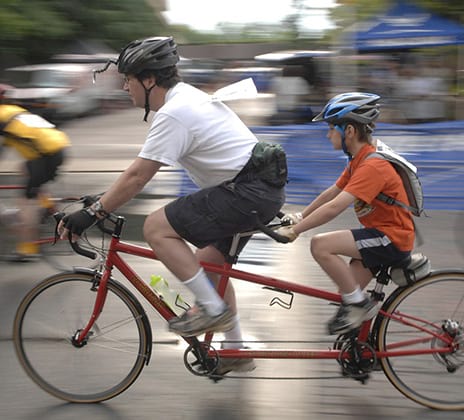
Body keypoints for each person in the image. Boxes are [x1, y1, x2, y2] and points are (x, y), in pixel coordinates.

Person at [57, 36, 287, 375]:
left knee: (155, 227)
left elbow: (138, 176)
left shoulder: (176, 112)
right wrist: (102, 201)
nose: (124, 87)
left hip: (247, 193)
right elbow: (135, 173)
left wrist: (93, 214)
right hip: (255, 190)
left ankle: (211, 309)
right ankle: (236, 349)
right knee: (210, 264)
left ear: (149, 80)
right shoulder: (186, 99)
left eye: (128, 79)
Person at [276, 92, 415, 334]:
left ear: (349, 131)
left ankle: (360, 306)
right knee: (346, 292)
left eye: (331, 128)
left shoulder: (373, 165)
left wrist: (296, 231)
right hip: (380, 234)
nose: (328, 134)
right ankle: (360, 352)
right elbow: (331, 192)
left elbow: (335, 207)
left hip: (390, 238)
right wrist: (300, 216)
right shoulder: (359, 159)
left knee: (320, 245)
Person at [0, 103, 69, 261]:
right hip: (57, 147)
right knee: (24, 168)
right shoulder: (11, 110)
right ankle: (45, 205)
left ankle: (28, 249)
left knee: (25, 201)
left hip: (44, 156)